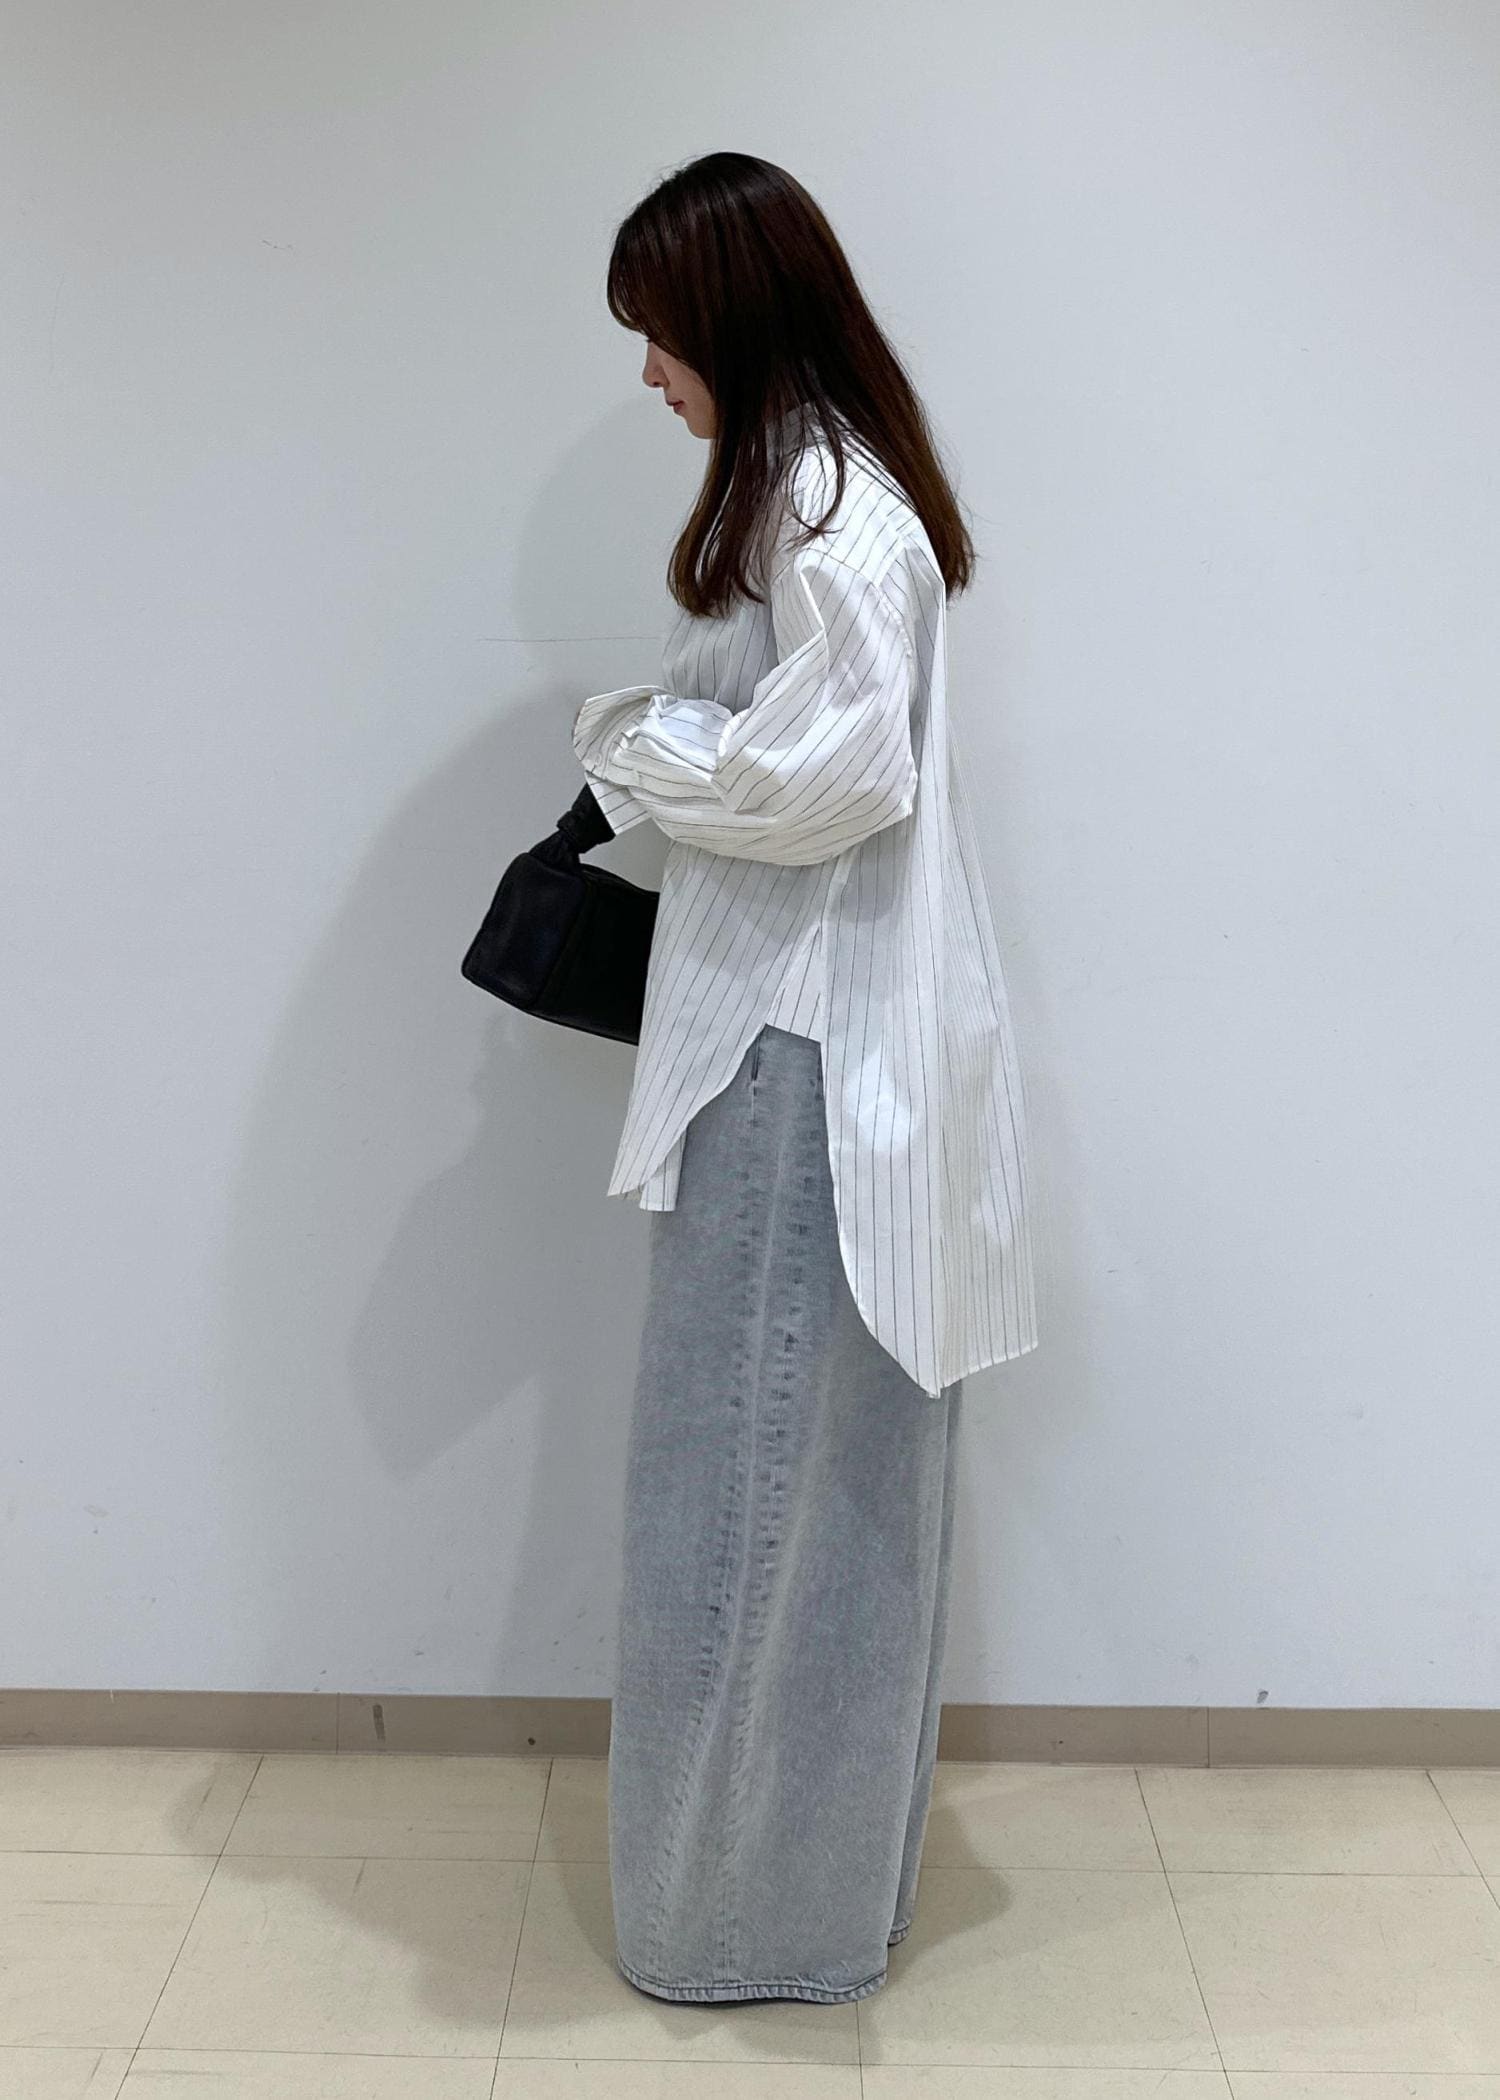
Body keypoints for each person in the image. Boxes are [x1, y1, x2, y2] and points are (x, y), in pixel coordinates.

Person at [571, 151, 1039, 2006]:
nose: (649, 372)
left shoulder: (833, 511)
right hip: (817, 1058)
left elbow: (824, 781)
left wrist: (633, 737)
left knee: (748, 1499)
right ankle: (798, 1911)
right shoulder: (815, 494)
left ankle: (733, 1935)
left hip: (807, 1068)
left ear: (736, 316)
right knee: (815, 1503)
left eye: (661, 332)